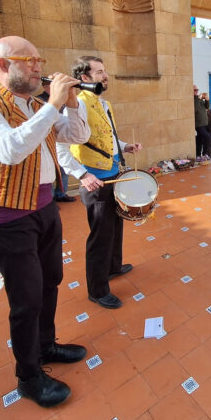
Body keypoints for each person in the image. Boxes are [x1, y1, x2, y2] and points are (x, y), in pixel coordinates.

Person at [0, 36, 90, 408]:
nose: (38, 66)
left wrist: (73, 104)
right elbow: (11, 149)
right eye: (28, 60)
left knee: (51, 281)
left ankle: (46, 345)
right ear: (3, 65)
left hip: (45, 208)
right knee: (26, 298)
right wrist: (53, 105)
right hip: (8, 220)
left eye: (39, 60)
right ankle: (28, 376)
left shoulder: (36, 106)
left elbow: (77, 135)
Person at [59, 56, 142, 310]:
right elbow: (61, 147)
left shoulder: (103, 103)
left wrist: (125, 146)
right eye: (99, 72)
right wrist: (83, 175)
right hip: (95, 182)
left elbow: (106, 139)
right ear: (84, 78)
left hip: (113, 174)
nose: (105, 76)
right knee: (100, 235)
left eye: (104, 71)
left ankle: (113, 267)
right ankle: (97, 289)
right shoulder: (77, 105)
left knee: (116, 225)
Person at [37, 80, 75, 202]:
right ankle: (51, 198)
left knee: (63, 169)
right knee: (50, 169)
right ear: (45, 86)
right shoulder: (39, 100)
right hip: (47, 140)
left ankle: (61, 194)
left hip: (61, 138)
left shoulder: (63, 99)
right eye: (51, 85)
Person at [193, 85, 211, 161]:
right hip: (198, 124)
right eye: (195, 90)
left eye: (197, 90)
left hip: (204, 123)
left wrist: (207, 100)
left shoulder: (198, 99)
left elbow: (207, 107)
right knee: (207, 136)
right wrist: (199, 98)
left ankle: (198, 156)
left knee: (199, 140)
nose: (197, 91)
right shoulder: (193, 99)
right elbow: (195, 109)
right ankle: (205, 154)